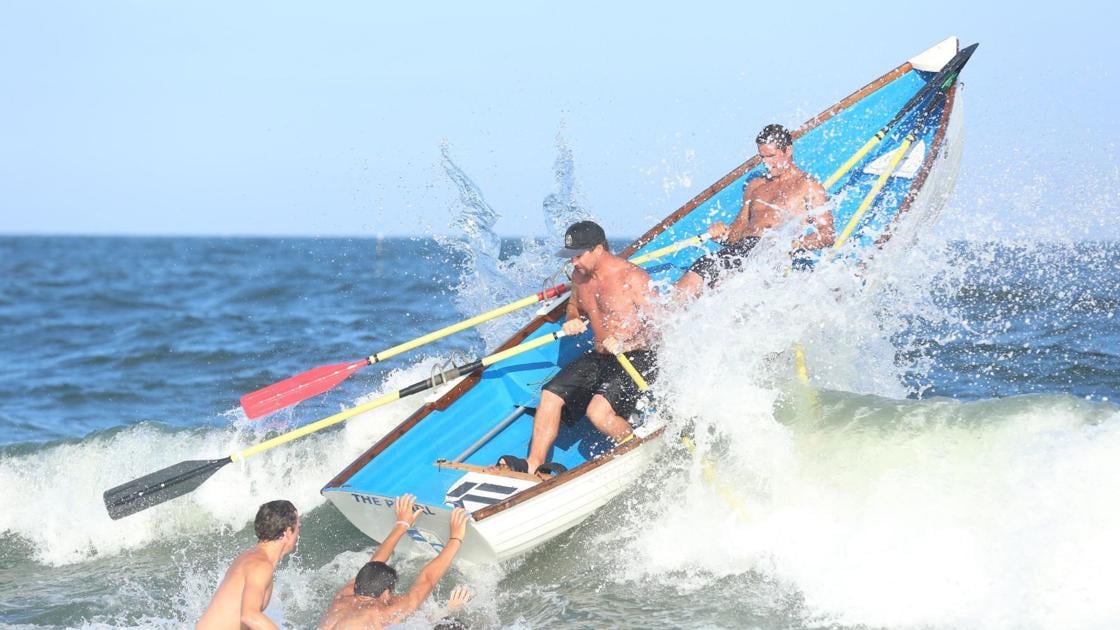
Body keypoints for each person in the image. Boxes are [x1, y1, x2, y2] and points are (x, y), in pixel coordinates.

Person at [511, 220, 659, 478]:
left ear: (598, 249)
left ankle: (639, 451)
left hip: (637, 357)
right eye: (571, 257)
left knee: (598, 413)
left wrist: (626, 344)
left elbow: (659, 328)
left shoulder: (632, 278)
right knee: (550, 395)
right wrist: (572, 318)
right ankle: (533, 468)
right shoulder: (580, 277)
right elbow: (573, 306)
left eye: (578, 256)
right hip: (601, 356)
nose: (573, 262)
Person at [676, 124, 835, 297]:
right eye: (762, 157)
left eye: (772, 156)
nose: (767, 163)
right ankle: (664, 312)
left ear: (788, 150)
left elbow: (827, 235)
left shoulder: (807, 186)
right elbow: (737, 233)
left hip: (771, 255)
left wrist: (793, 245)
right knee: (703, 266)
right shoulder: (755, 186)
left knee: (727, 285)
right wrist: (722, 235)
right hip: (740, 251)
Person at [318, 494, 469, 630]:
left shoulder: (342, 597)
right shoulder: (382, 614)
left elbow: (373, 565)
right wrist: (456, 538)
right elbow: (427, 580)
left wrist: (402, 524)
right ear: (385, 594)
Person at [197, 500, 300, 630]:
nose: (298, 534)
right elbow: (249, 616)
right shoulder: (260, 566)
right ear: (288, 532)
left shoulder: (251, 557)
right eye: (298, 527)